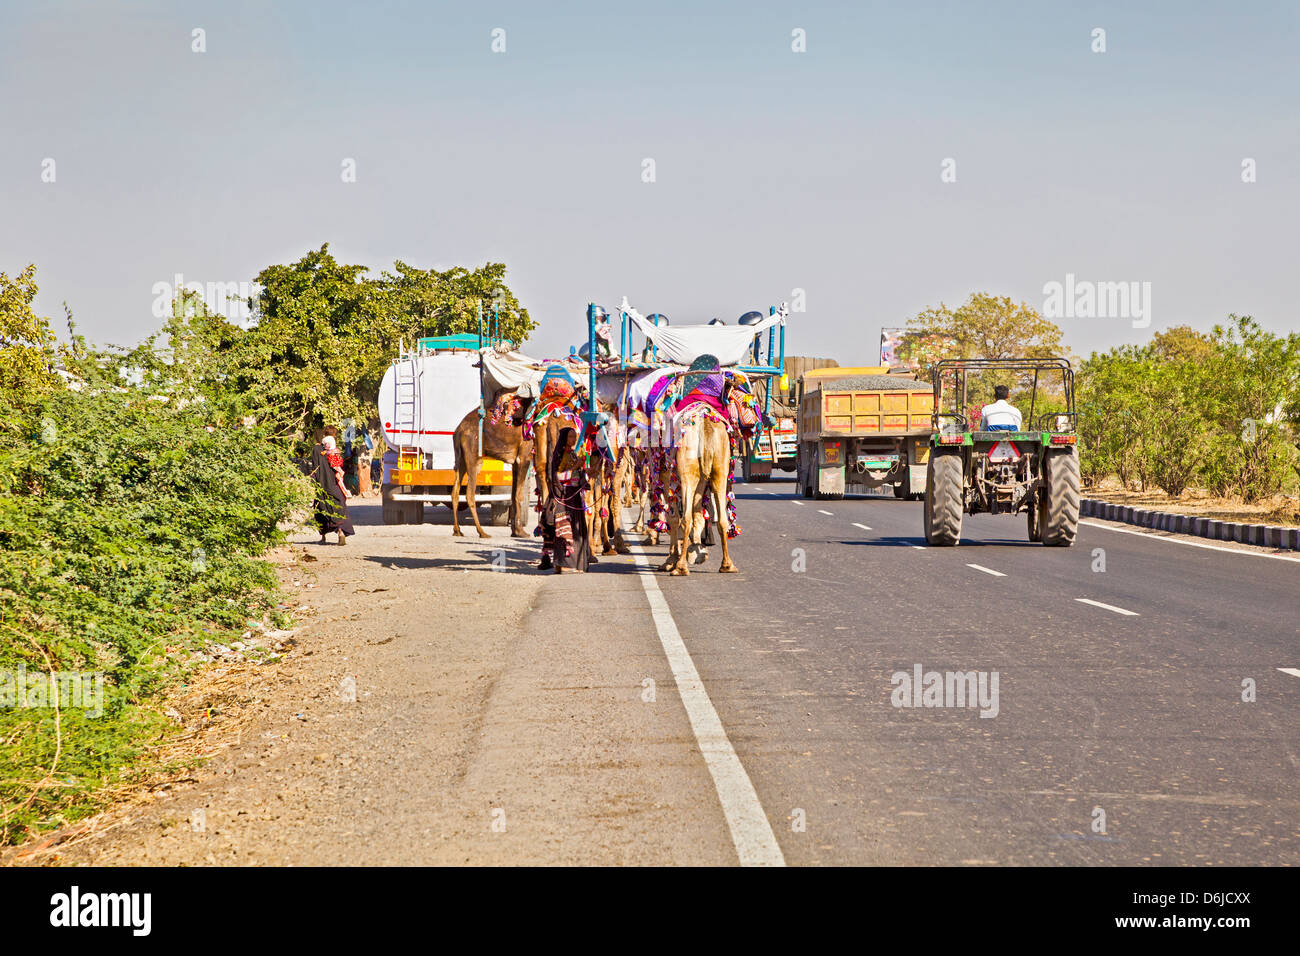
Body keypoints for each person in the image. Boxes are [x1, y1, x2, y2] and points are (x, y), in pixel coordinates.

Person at [538, 426, 589, 573]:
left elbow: (576, 475)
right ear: (564, 439)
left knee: (577, 530)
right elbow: (558, 477)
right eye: (571, 437)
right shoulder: (559, 455)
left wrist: (586, 473)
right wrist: (576, 468)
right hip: (563, 498)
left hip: (574, 497)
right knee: (562, 532)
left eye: (575, 437)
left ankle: (576, 563)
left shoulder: (572, 454)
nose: (574, 440)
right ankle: (561, 564)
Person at [310, 429, 356, 545]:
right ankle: (340, 532)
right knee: (339, 508)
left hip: (321, 485)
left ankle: (323, 537)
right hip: (333, 486)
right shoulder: (335, 452)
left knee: (321, 510)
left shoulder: (316, 449)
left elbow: (314, 467)